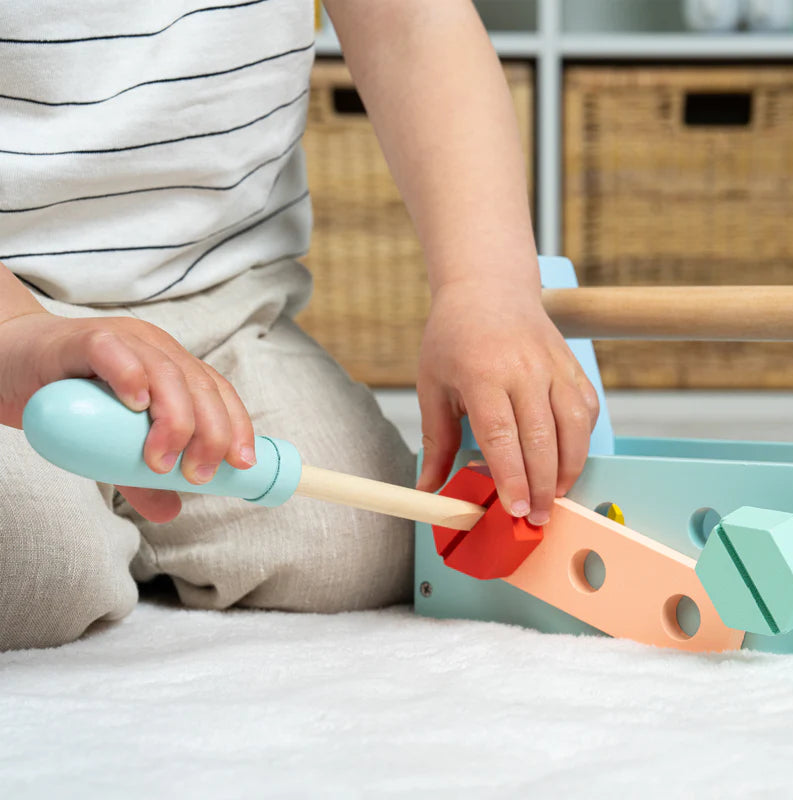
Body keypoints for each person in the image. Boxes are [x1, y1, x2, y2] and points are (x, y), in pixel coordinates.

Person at [0, 0, 599, 650]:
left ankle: (119, 518)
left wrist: (485, 285)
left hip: (221, 300)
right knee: (38, 565)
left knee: (361, 547)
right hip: (11, 310)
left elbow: (415, 24)